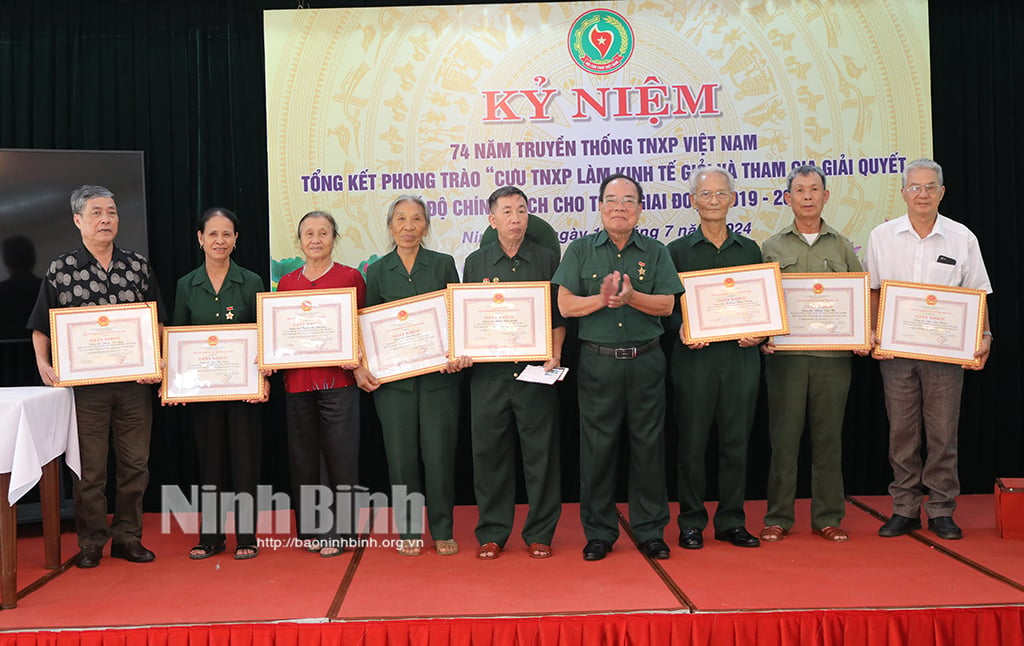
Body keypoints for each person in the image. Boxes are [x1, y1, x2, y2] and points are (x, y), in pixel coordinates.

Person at [27, 185, 163, 568]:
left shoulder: (137, 265)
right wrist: (43, 363)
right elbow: (41, 325)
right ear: (78, 220)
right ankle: (91, 541)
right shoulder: (61, 269)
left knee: (136, 464)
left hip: (135, 387)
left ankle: (128, 537)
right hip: (86, 391)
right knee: (90, 470)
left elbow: (158, 321)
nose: (106, 219)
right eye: (97, 213)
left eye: (112, 212)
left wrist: (158, 361)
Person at [551, 173, 680, 562]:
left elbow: (667, 306)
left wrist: (633, 297)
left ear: (639, 209)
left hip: (646, 361)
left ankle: (650, 531)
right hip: (598, 363)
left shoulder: (656, 251)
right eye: (611, 200)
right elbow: (565, 306)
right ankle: (600, 533)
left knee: (648, 448)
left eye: (627, 201)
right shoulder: (580, 250)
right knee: (597, 450)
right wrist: (603, 299)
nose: (619, 207)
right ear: (600, 207)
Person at [865, 158, 992, 541]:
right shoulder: (881, 236)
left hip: (945, 355)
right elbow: (872, 289)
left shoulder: (962, 238)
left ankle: (940, 509)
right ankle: (904, 507)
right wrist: (872, 332)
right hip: (895, 355)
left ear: (942, 192)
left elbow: (978, 294)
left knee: (942, 434)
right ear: (903, 192)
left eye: (930, 187)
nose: (922, 193)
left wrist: (984, 336)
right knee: (901, 434)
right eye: (915, 187)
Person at [759, 165, 867, 543]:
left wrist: (862, 333)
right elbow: (761, 302)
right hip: (785, 360)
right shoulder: (771, 247)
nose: (807, 196)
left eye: (814, 189)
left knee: (828, 440)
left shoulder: (841, 245)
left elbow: (861, 297)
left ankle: (828, 516)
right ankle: (778, 516)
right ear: (787, 198)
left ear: (826, 196)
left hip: (833, 361)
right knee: (783, 440)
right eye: (799, 190)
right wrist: (763, 335)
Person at [356, 195, 468, 557]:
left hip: (439, 380)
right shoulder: (376, 271)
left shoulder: (443, 264)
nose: (408, 226)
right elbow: (368, 326)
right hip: (394, 385)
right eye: (400, 219)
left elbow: (455, 318)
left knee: (439, 456)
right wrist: (367, 364)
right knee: (401, 457)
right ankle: (408, 530)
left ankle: (443, 529)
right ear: (390, 226)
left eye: (416, 219)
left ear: (426, 226)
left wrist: (454, 353)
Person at [463, 186, 564, 560]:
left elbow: (558, 314)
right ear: (492, 220)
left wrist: (556, 352)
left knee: (540, 455)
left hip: (536, 372)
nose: (516, 218)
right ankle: (492, 532)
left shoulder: (547, 259)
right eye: (507, 211)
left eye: (522, 211)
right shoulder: (475, 262)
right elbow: (467, 316)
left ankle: (541, 532)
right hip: (488, 376)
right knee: (489, 456)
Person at [669, 168, 763, 550]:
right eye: (705, 194)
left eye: (720, 194)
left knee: (736, 442)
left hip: (740, 359)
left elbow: (763, 305)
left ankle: (731, 520)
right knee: (691, 444)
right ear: (693, 201)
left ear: (732, 200)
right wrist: (681, 327)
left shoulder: (750, 250)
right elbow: (667, 307)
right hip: (694, 361)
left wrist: (762, 332)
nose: (712, 200)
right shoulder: (676, 251)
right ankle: (691, 522)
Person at [172, 207, 267, 560]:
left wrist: (262, 377)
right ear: (200, 239)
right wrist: (176, 385)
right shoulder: (186, 285)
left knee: (245, 461)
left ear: (236, 239)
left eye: (227, 234)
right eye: (212, 234)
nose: (220, 240)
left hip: (245, 392)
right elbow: (177, 339)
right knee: (209, 463)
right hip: (203, 393)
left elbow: (263, 336)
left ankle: (246, 536)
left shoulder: (252, 281)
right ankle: (210, 536)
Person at [278, 211, 365, 558]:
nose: (316, 239)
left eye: (323, 233)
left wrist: (356, 357)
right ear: (299, 241)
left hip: (339, 381)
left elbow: (361, 327)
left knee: (341, 456)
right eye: (309, 233)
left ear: (334, 238)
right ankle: (313, 529)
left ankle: (342, 531)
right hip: (298, 381)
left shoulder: (350, 277)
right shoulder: (286, 283)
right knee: (304, 458)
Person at [0, 235, 42, 339]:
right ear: (33, 258)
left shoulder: (2, 291)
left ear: (6, 261)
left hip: (6, 353)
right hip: (43, 353)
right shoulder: (47, 288)